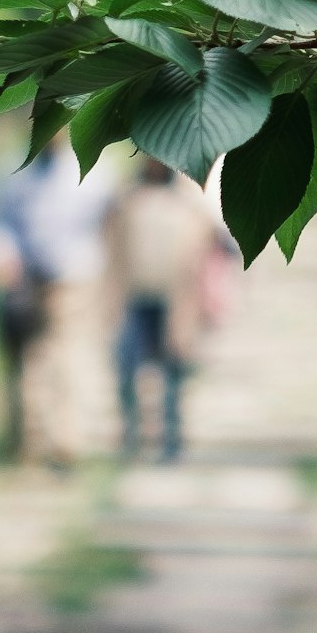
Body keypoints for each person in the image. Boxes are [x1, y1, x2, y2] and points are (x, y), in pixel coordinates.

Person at [0, 134, 116, 466]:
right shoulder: (9, 171)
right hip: (24, 281)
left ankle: (67, 440)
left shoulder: (94, 171)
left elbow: (107, 224)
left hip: (72, 278)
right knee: (26, 361)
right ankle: (26, 441)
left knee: (68, 356)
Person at [102, 156, 240, 462]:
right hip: (134, 297)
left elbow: (219, 245)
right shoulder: (126, 197)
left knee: (172, 373)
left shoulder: (189, 200)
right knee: (127, 367)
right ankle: (131, 436)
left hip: (176, 301)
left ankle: (172, 441)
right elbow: (108, 241)